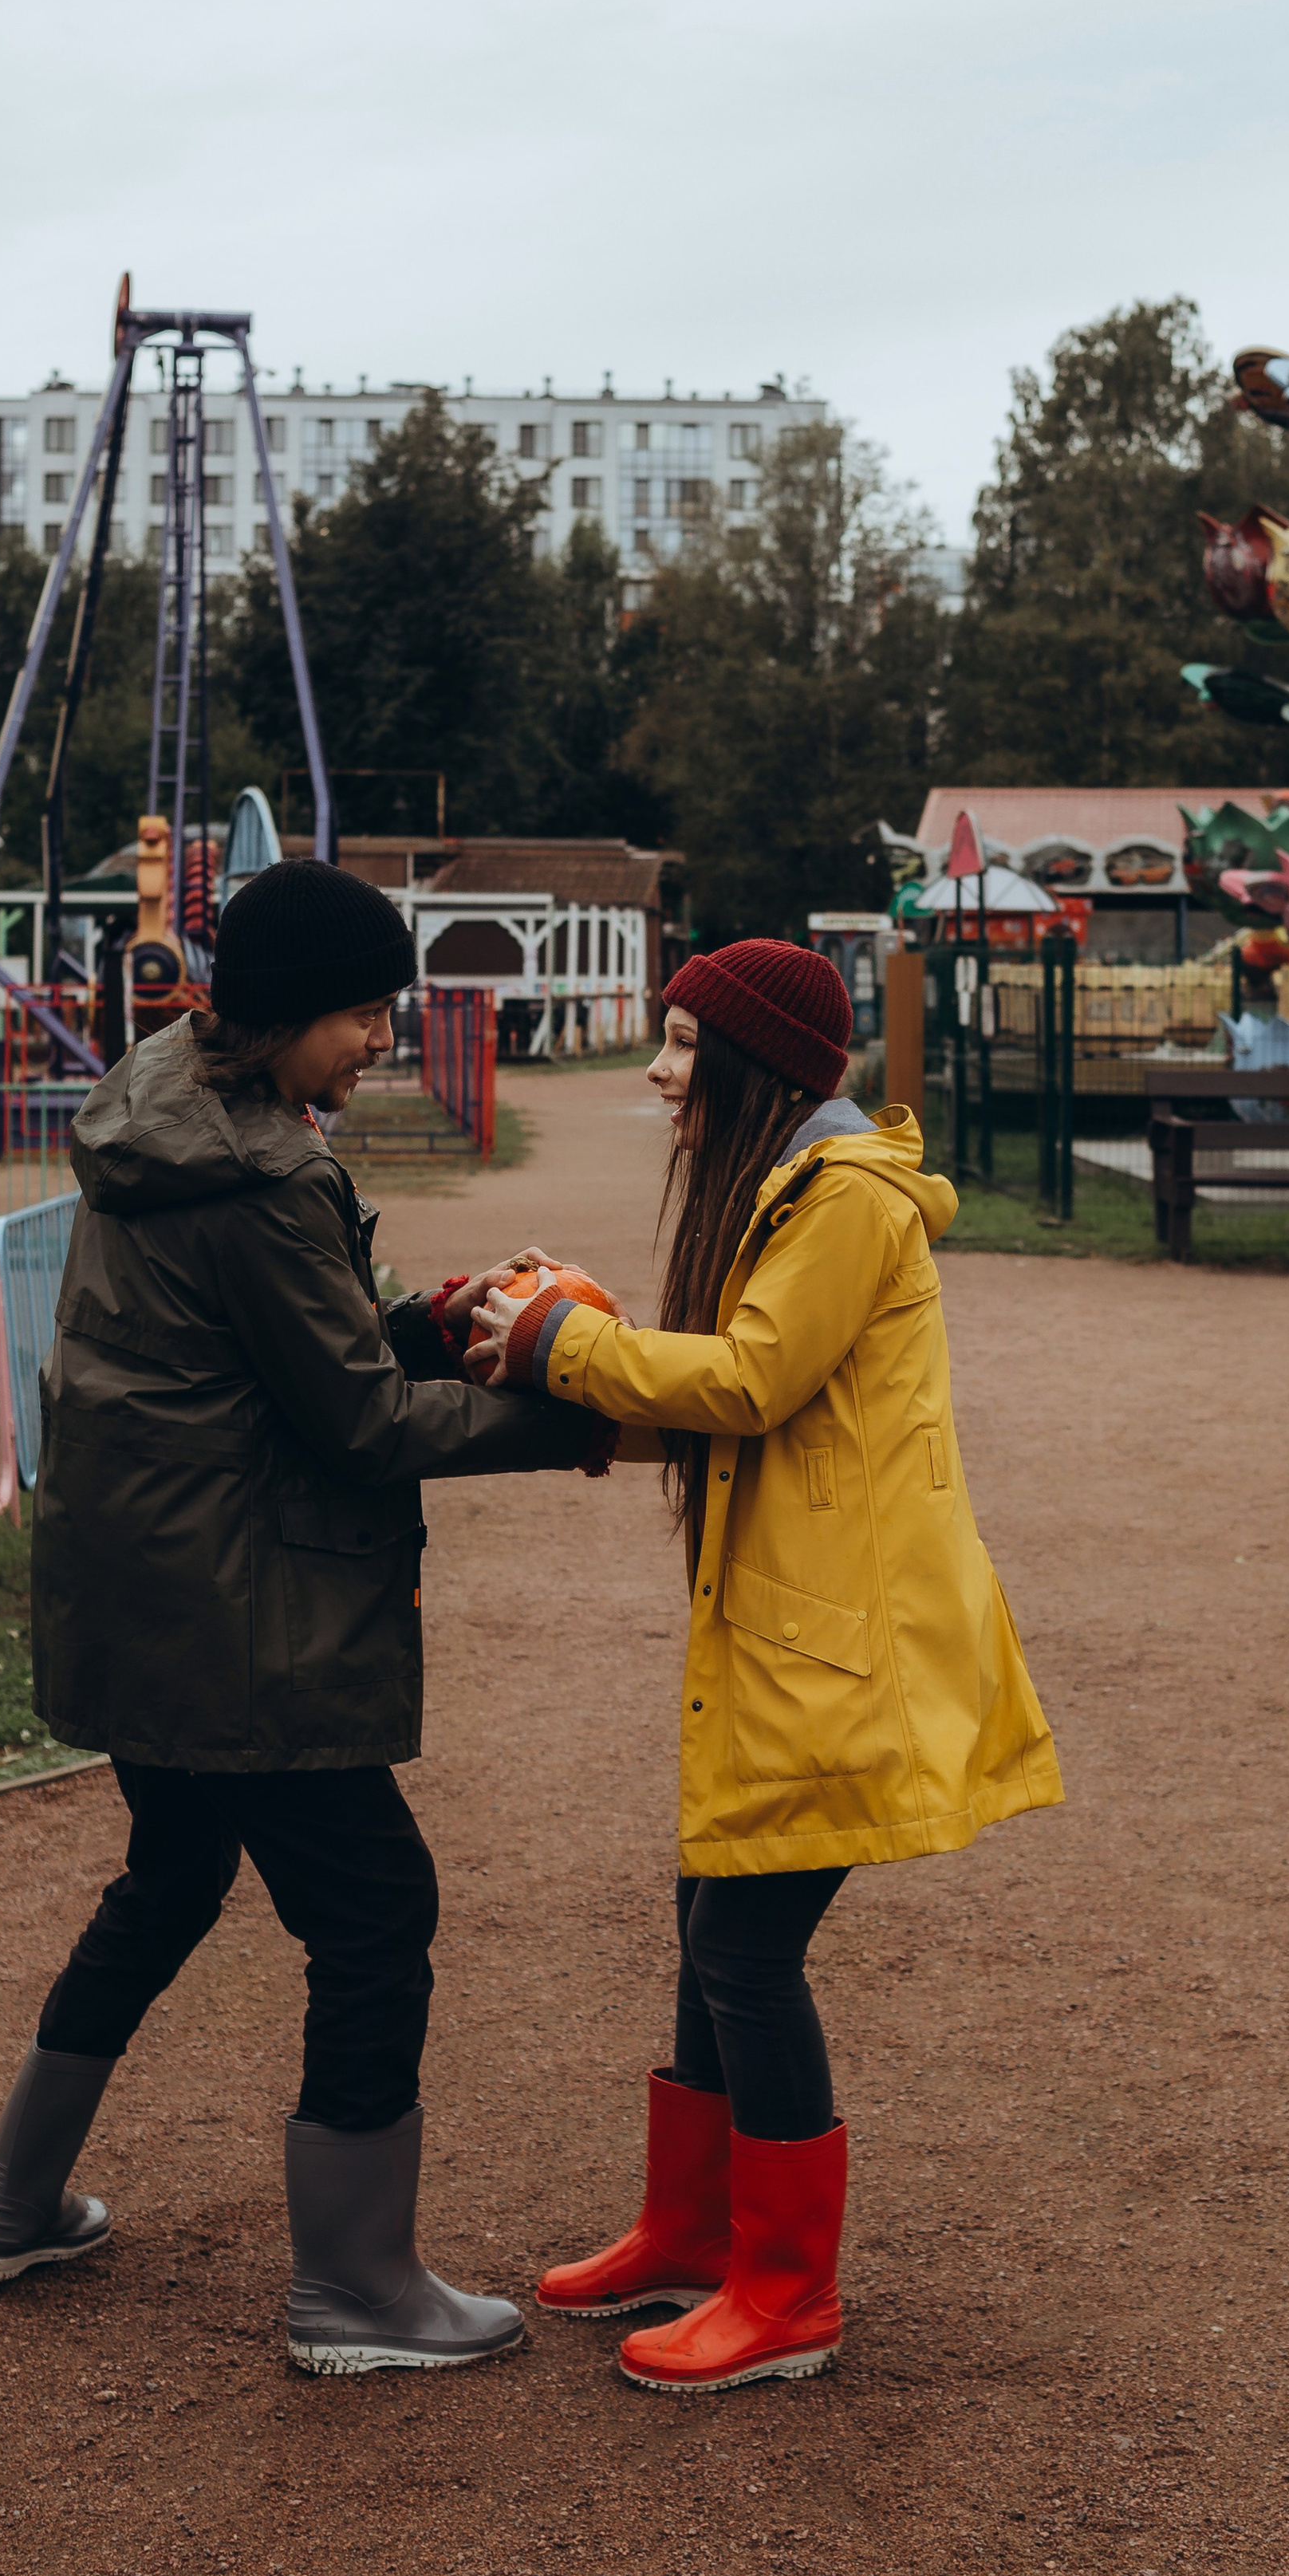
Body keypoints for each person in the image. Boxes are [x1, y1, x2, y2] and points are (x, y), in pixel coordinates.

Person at [0, 858, 601, 2377]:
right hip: (237, 1605)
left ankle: (15, 2201)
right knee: (375, 1911)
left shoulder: (168, 1106)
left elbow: (286, 1353)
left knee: (173, 1875)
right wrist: (575, 1412)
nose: (379, 1038)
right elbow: (362, 1428)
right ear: (286, 1013)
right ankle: (356, 2289)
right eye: (361, 1013)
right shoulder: (260, 1177)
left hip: (145, 1588)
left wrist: (432, 1321)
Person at [471, 938, 1062, 2393]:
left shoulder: (848, 1201)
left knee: (744, 1947)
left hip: (845, 1646)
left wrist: (571, 1345)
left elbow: (749, 1376)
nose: (661, 1070)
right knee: (707, 1914)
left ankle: (787, 2291)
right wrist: (571, 1366)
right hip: (800, 1634)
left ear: (752, 1064)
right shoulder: (795, 1191)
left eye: (680, 1045)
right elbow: (756, 1397)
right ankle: (695, 2231)